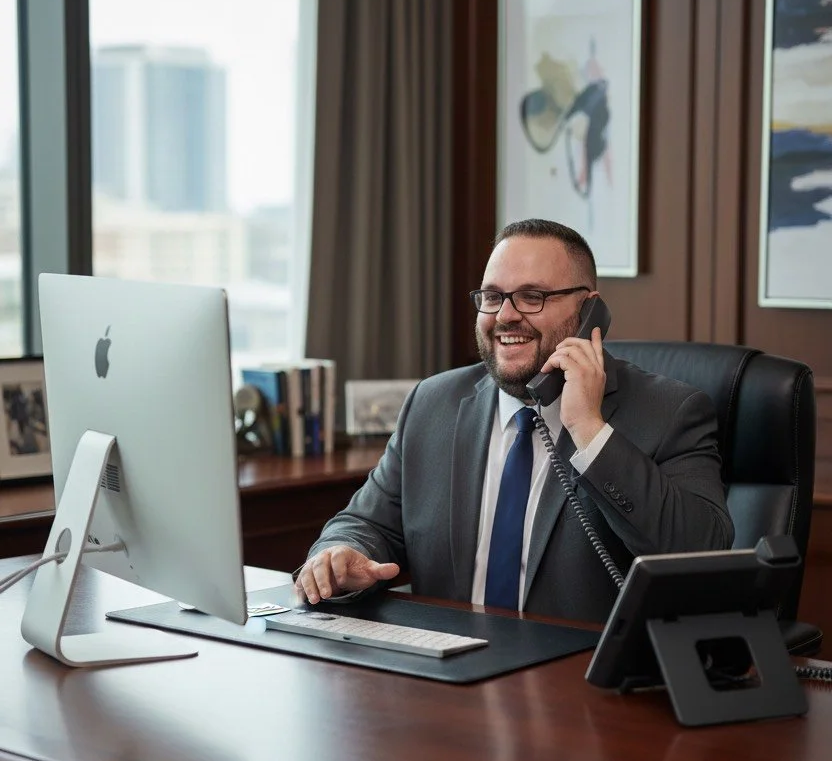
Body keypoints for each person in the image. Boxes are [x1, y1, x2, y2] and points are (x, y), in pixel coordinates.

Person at [294, 219, 733, 623]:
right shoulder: (434, 402)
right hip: (450, 678)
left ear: (588, 312)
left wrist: (590, 430)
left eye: (531, 296)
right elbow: (367, 522)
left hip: (584, 686)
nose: (505, 315)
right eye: (492, 297)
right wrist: (342, 552)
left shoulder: (671, 411)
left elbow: (702, 557)